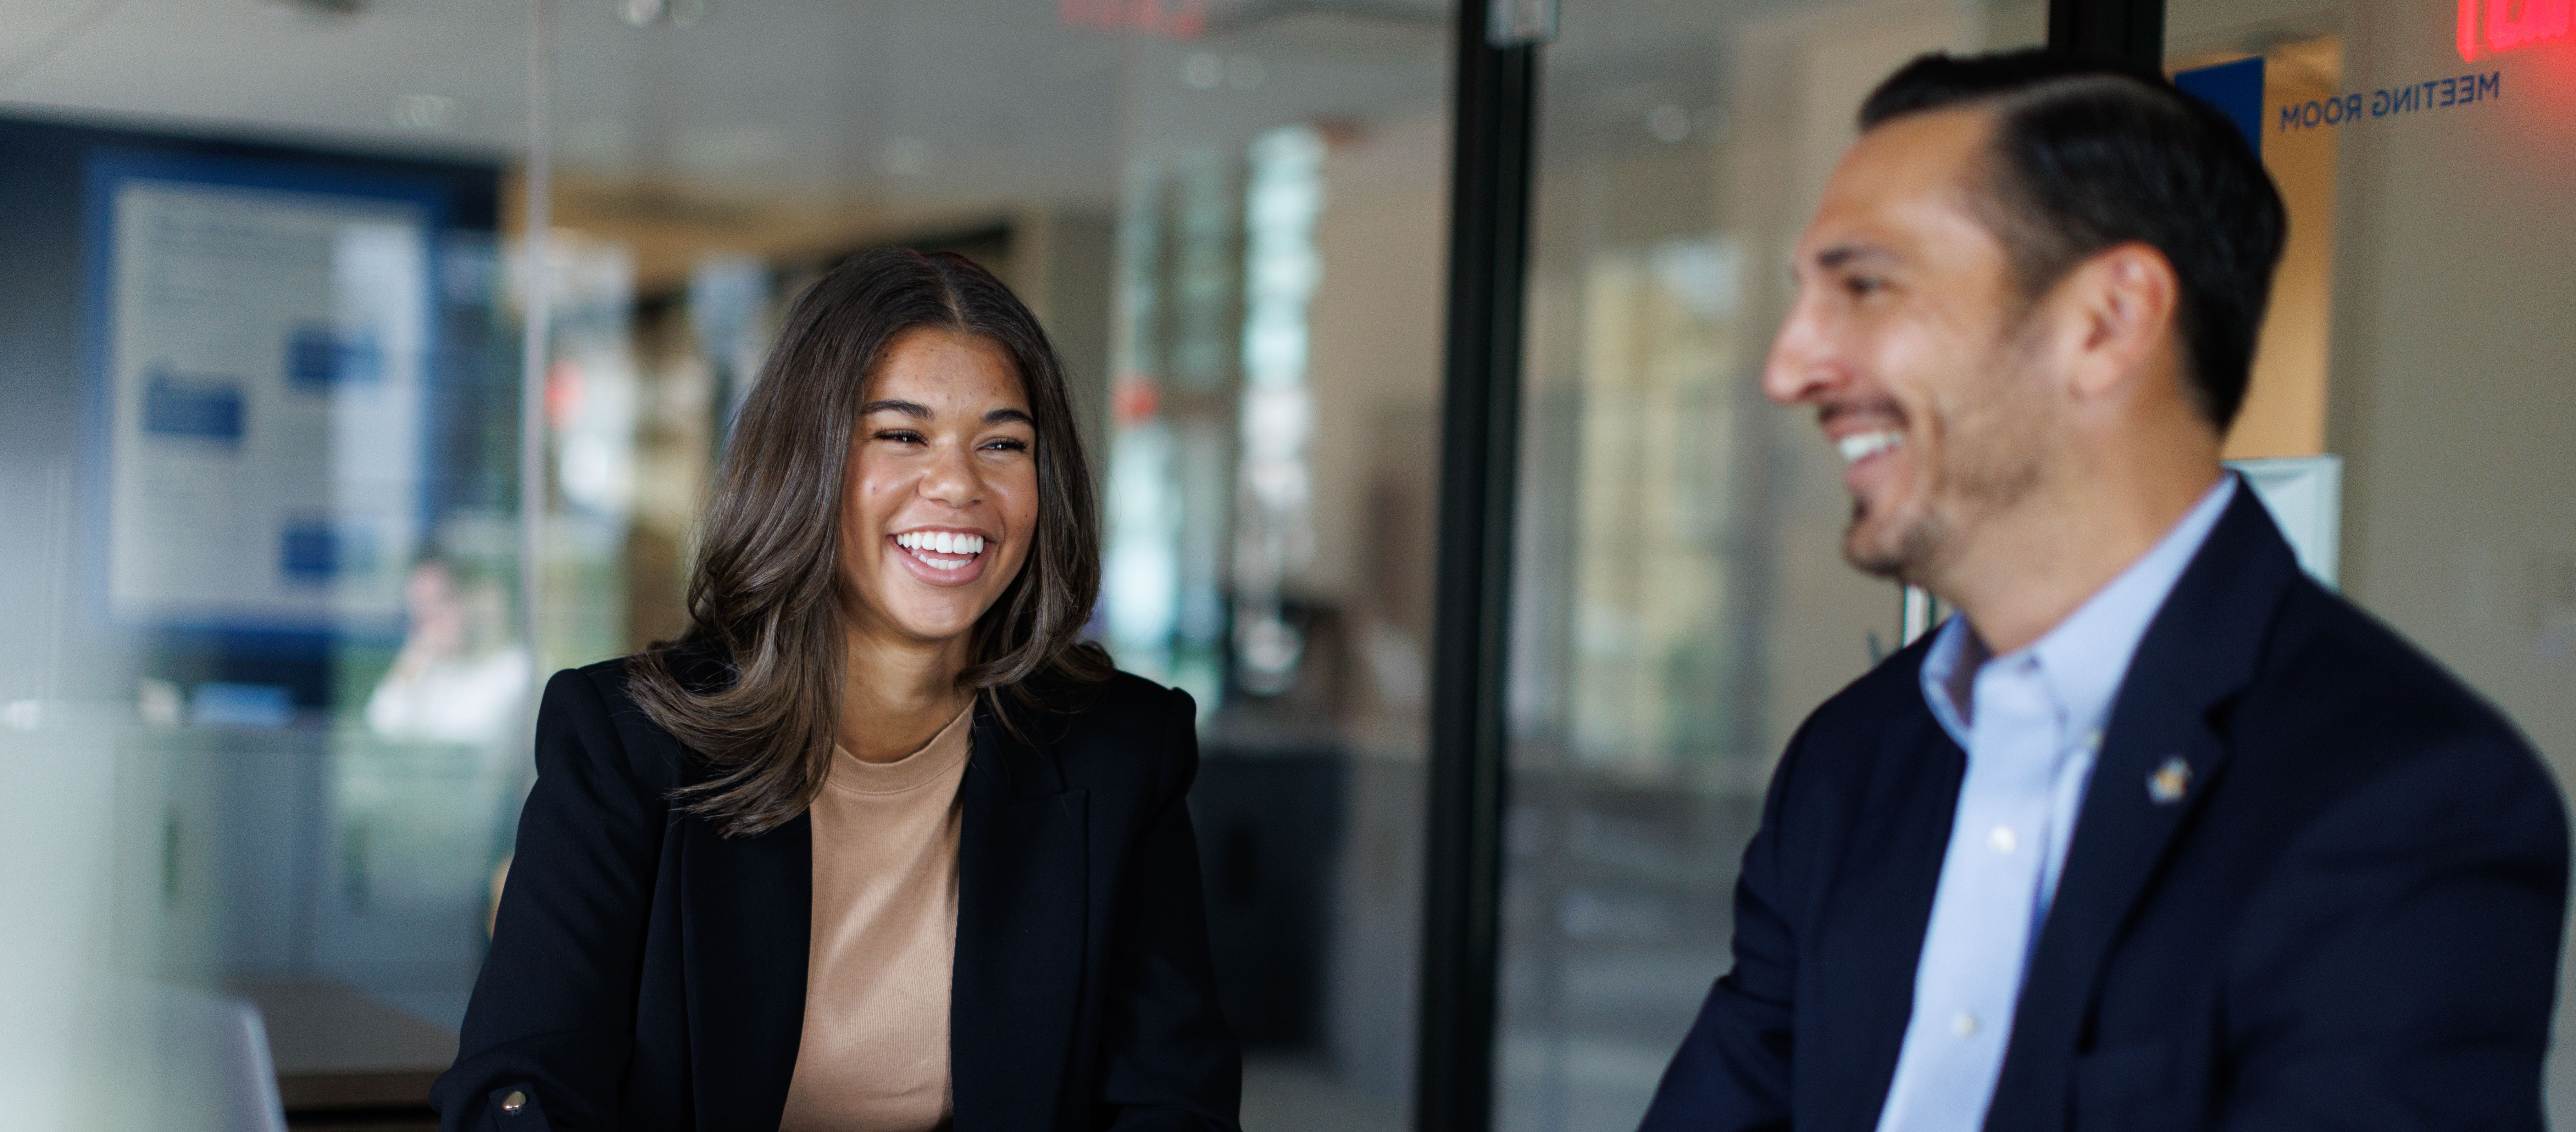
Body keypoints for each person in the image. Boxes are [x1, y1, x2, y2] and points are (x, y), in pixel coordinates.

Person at [1639, 50, 2566, 1132]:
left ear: (2107, 322)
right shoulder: (1851, 764)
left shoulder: (2404, 800)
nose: (1790, 366)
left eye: (1868, 286)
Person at [431, 248, 1242, 1132]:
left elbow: (1173, 1104)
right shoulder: (628, 742)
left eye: (1003, 444)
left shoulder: (1122, 753)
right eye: (902, 435)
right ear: (805, 459)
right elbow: (522, 1084)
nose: (959, 484)